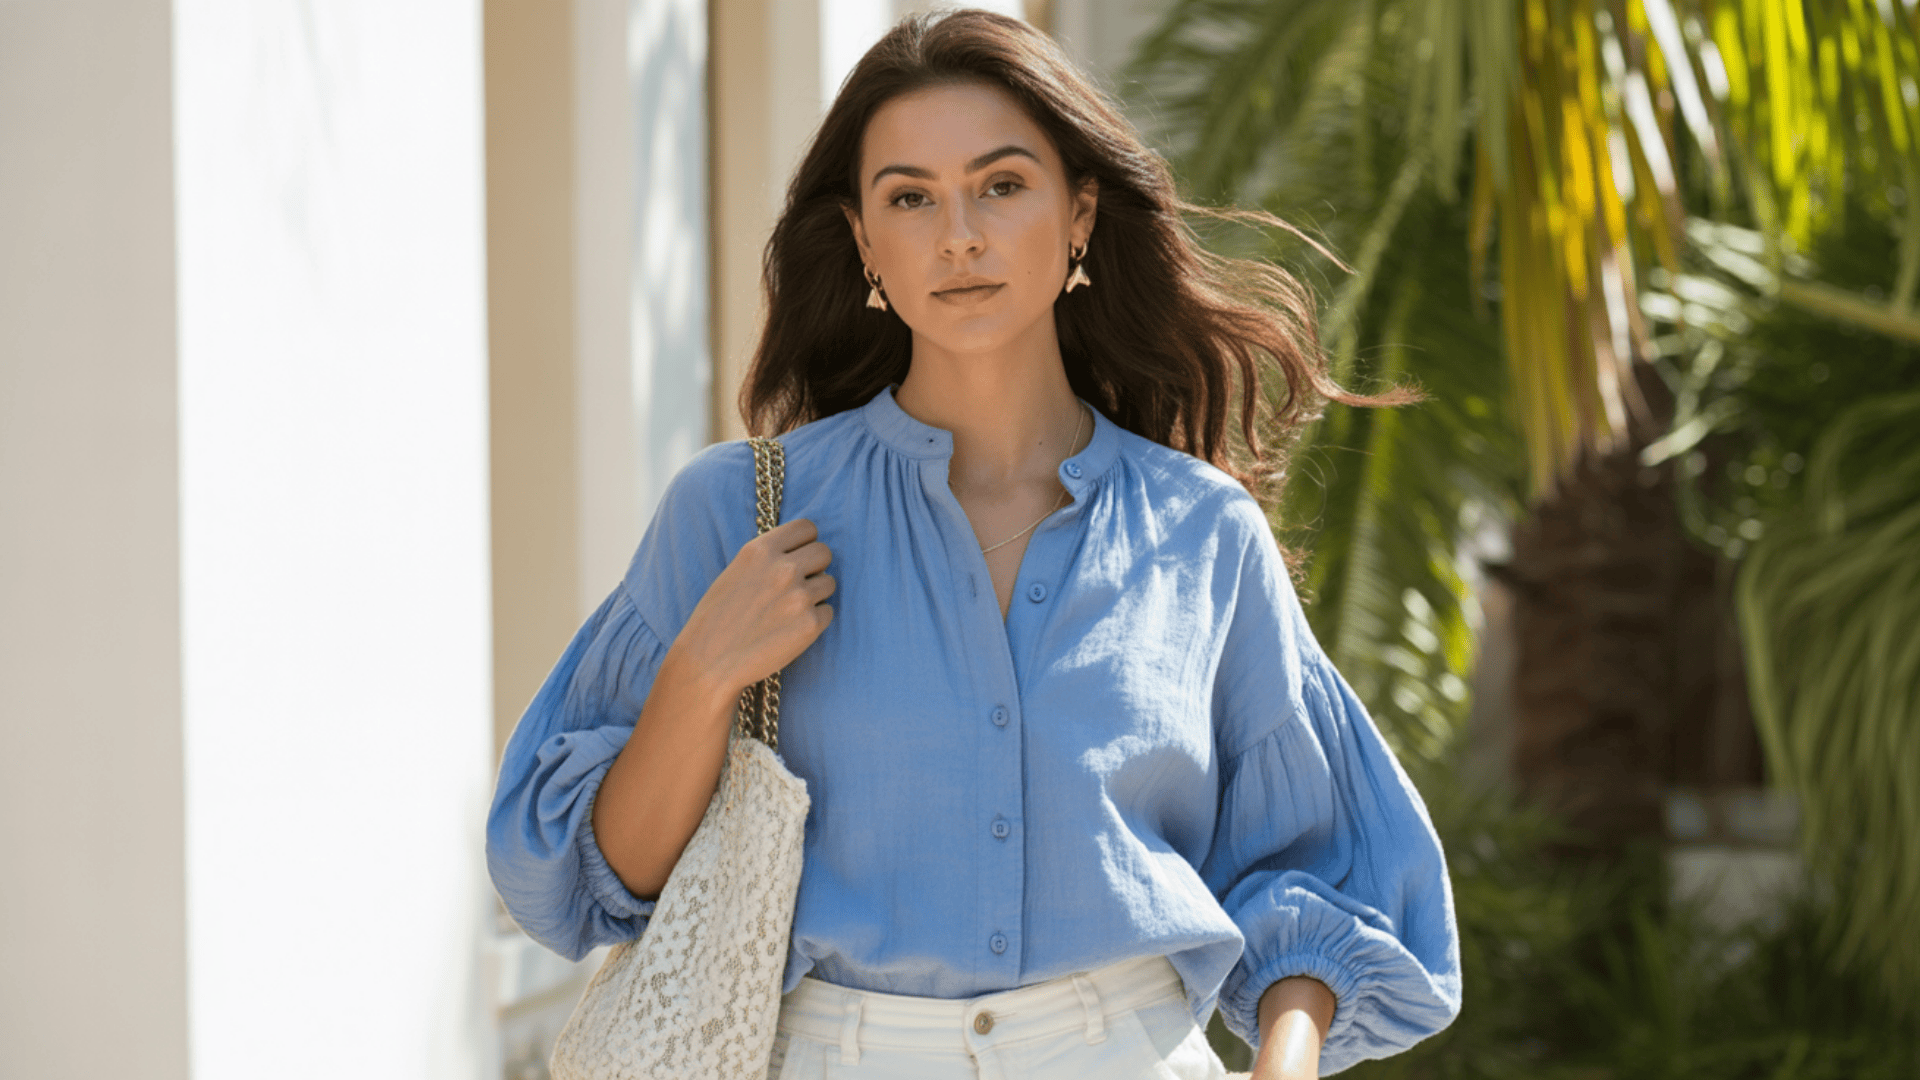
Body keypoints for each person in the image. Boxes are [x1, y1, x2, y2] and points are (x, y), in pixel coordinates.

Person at [487, 9, 1460, 1079]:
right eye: (911, 198)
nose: (959, 235)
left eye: (1001, 185)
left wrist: (1284, 1064)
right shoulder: (740, 511)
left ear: (1079, 213)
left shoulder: (1201, 531)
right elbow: (595, 881)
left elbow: (1312, 871)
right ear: (865, 242)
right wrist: (701, 675)